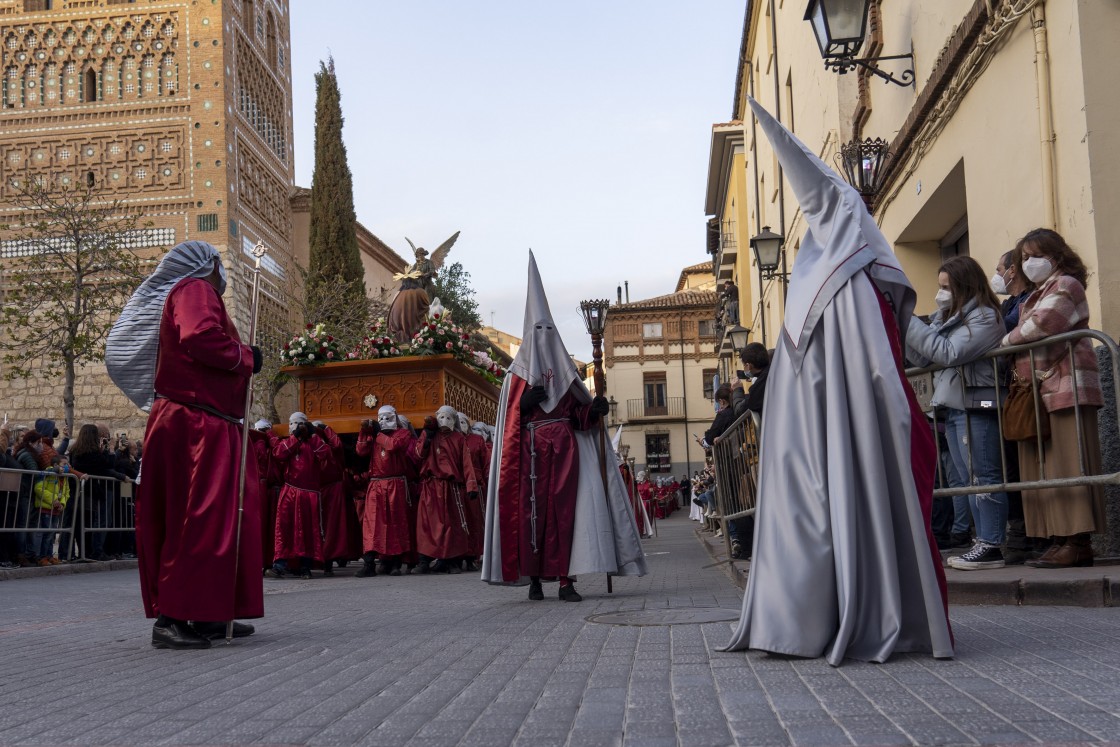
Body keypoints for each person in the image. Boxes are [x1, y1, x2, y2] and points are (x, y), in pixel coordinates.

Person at [723, 99, 951, 665]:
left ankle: (802, 616)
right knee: (862, 491)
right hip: (864, 419)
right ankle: (870, 608)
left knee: (817, 499)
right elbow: (881, 364)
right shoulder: (853, 282)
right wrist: (898, 414)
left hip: (813, 433)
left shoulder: (813, 283)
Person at [106, 240, 263, 650]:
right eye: (220, 264)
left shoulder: (190, 291)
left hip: (205, 420)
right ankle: (172, 617)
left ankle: (207, 610)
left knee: (215, 519)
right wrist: (246, 358)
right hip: (196, 424)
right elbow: (199, 336)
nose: (223, 273)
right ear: (208, 265)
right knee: (196, 518)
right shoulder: (195, 289)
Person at [481, 252, 647, 601]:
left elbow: (579, 416)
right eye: (537, 331)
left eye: (548, 330)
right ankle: (536, 580)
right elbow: (507, 420)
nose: (543, 336)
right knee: (531, 517)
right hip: (528, 456)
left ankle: (565, 580)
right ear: (529, 335)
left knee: (564, 517)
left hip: (565, 454)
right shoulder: (515, 379)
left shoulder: (569, 376)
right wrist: (522, 407)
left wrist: (595, 411)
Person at [1001, 228, 1106, 568]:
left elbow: (1043, 325)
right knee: (1047, 467)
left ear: (1056, 255)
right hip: (1044, 390)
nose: (1030, 263)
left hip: (1068, 387)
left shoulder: (1066, 285)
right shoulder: (1040, 291)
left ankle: (1077, 541)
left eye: (1036, 255)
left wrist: (1005, 341)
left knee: (1068, 463)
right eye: (1025, 257)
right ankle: (1061, 539)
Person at [906, 256, 1008, 570]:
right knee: (968, 478)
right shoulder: (947, 317)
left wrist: (909, 323)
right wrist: (904, 330)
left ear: (964, 286)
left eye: (946, 287)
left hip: (976, 403)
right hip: (953, 405)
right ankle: (982, 542)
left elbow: (948, 353)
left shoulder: (985, 317)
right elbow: (923, 359)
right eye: (939, 287)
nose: (940, 294)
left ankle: (991, 545)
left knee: (983, 475)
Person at [411, 405, 477, 574]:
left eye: (448, 417)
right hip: (430, 486)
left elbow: (466, 463)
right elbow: (417, 455)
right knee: (426, 524)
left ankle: (451, 561)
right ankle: (424, 561)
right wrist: (426, 437)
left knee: (451, 524)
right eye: (441, 417)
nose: (444, 421)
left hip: (450, 487)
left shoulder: (459, 438)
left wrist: (471, 485)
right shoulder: (430, 435)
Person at [355, 405, 419, 577]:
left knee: (395, 523)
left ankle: (395, 563)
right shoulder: (375, 435)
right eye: (380, 417)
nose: (383, 420)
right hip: (376, 484)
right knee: (372, 524)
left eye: (387, 417)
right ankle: (369, 564)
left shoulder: (403, 433)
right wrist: (364, 432)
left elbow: (393, 446)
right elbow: (361, 451)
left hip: (395, 484)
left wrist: (377, 434)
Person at [270, 412, 331, 579]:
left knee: (307, 530)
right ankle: (280, 564)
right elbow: (279, 454)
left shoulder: (314, 443)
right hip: (289, 492)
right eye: (292, 423)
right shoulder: (288, 442)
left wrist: (312, 434)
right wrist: (295, 438)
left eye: (298, 424)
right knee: (284, 528)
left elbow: (325, 453)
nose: (294, 426)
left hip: (308, 494)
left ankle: (305, 566)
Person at [68, 424, 132, 561]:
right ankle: (96, 551)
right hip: (93, 490)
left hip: (87, 490)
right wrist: (110, 450)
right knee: (100, 521)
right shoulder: (90, 453)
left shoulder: (77, 450)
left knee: (90, 523)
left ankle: (90, 551)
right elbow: (106, 466)